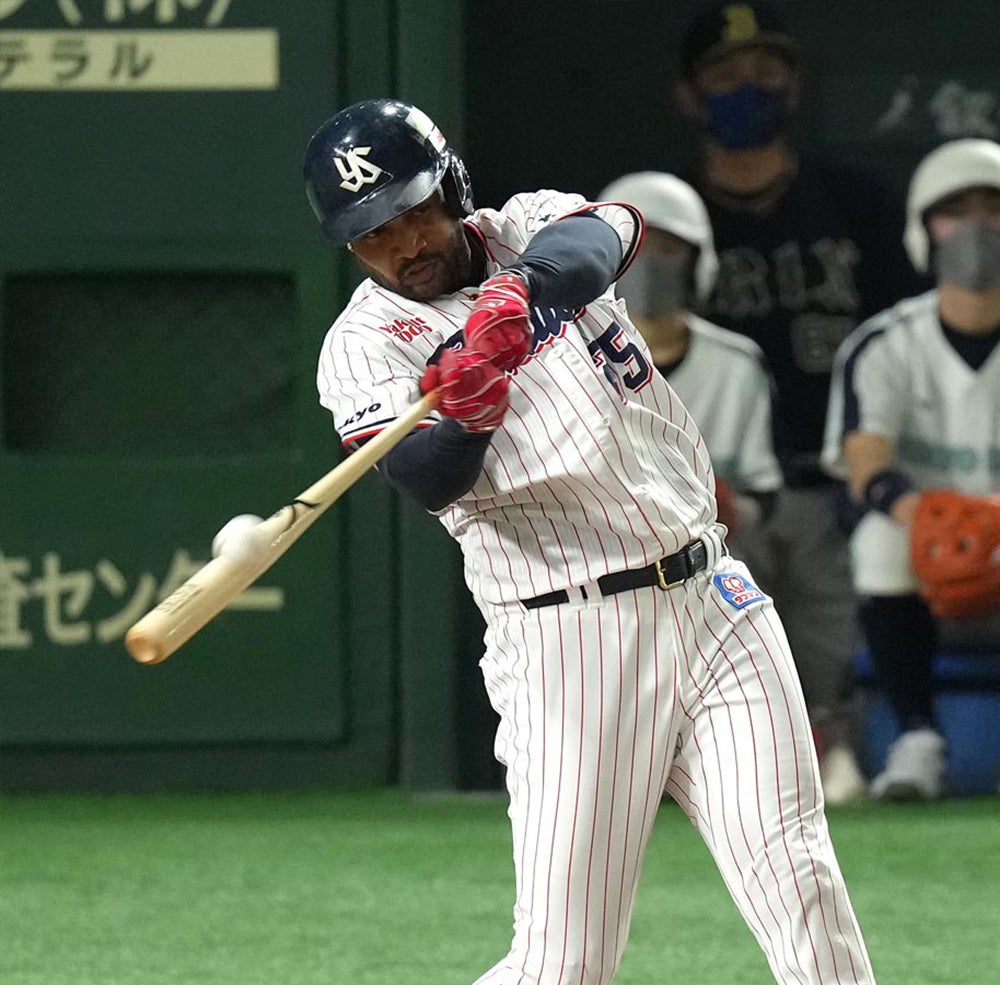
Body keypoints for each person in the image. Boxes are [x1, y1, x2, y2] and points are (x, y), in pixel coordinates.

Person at [305, 97, 879, 985]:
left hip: (715, 599)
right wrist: (466, 412)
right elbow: (424, 476)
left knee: (800, 884)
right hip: (571, 639)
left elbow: (609, 234)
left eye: (414, 211)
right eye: (373, 233)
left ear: (451, 186)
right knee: (566, 962)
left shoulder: (527, 225)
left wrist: (519, 291)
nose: (404, 243)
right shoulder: (363, 345)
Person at [673, 0, 924, 798]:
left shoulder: (859, 206)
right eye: (726, 74)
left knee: (829, 651)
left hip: (827, 480)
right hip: (708, 492)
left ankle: (844, 748)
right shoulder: (669, 222)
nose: (749, 87)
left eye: (767, 70)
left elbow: (904, 342)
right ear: (689, 95)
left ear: (796, 85)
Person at [823, 138, 1000, 801]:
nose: (978, 228)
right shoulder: (885, 341)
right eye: (956, 212)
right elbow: (865, 464)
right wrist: (932, 518)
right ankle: (917, 735)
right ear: (925, 229)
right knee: (878, 538)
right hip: (928, 539)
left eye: (993, 209)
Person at [596, 170, 782, 558]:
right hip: (600, 561)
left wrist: (731, 512)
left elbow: (764, 492)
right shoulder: (571, 356)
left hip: (710, 565)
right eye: (635, 251)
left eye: (668, 249)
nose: (648, 264)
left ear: (698, 261)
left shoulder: (736, 364)